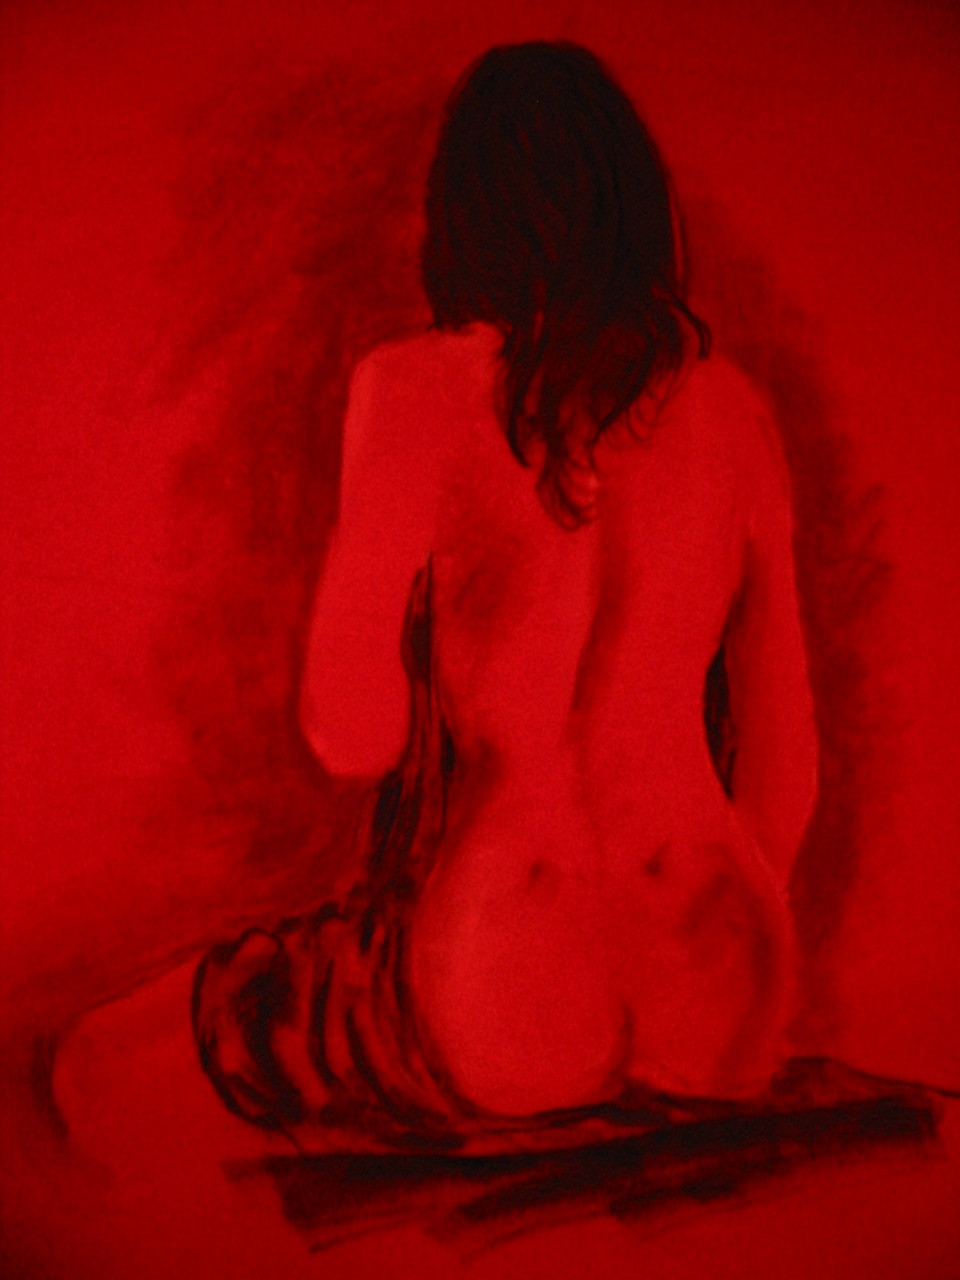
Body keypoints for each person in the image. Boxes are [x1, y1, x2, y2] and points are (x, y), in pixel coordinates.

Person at [196, 40, 819, 1142]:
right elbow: (785, 764)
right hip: (721, 963)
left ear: (463, 214)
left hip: (513, 966)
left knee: (251, 1004)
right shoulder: (734, 413)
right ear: (633, 207)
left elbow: (349, 733)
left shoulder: (410, 389)